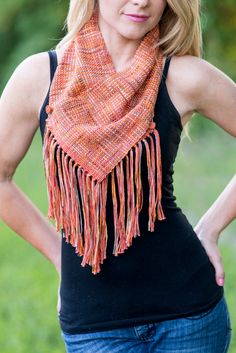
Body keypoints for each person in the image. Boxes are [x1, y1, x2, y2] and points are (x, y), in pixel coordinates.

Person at [0, 0, 235, 352]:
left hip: (189, 315)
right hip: (95, 325)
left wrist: (211, 227)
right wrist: (59, 256)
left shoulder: (185, 76)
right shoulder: (39, 76)